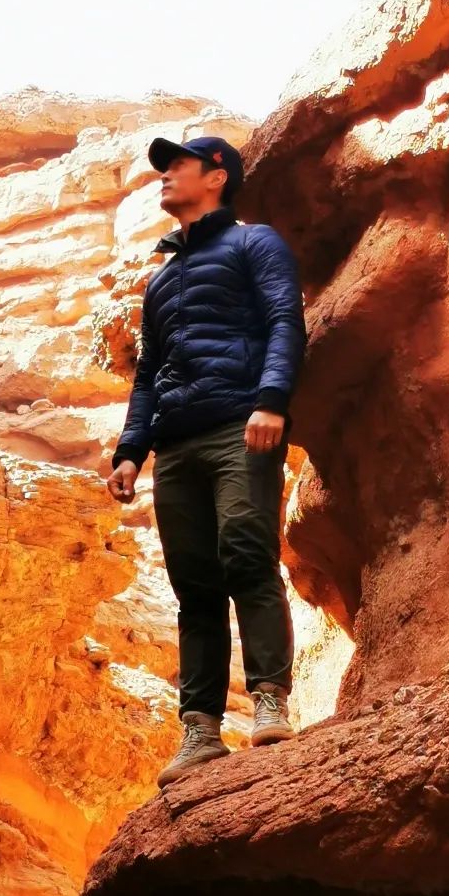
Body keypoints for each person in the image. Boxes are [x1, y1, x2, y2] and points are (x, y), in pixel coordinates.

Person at [107, 135, 307, 788]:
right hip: (176, 446)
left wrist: (272, 400)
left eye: (178, 166)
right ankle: (199, 730)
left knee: (245, 553)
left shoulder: (255, 243)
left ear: (216, 177)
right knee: (194, 587)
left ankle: (271, 699)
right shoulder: (161, 279)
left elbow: (283, 319)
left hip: (239, 425)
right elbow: (148, 374)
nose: (164, 176)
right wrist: (131, 451)